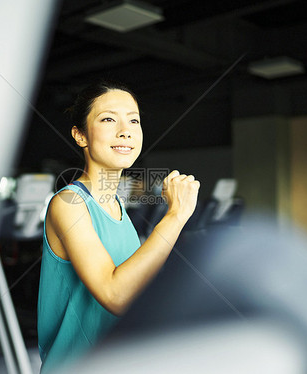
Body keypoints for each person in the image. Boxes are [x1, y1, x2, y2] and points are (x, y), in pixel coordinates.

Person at [37, 80, 200, 372]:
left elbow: (139, 287)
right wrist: (176, 216)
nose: (125, 130)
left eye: (133, 120)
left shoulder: (118, 207)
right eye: (109, 119)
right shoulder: (68, 204)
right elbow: (115, 296)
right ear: (80, 135)